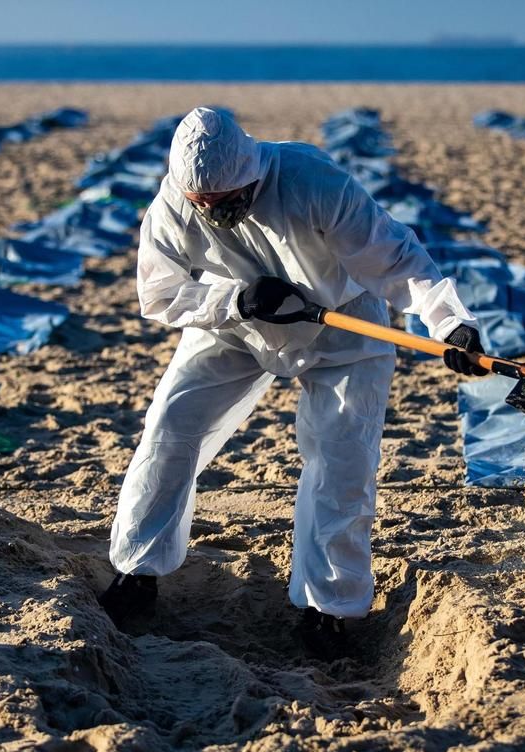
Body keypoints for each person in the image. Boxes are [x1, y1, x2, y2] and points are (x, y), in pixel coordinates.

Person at [98, 107, 489, 660]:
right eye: (200, 203)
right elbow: (158, 294)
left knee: (342, 458)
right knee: (171, 426)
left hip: (343, 322)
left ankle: (327, 608)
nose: (210, 211)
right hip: (235, 323)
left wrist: (450, 324)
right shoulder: (174, 203)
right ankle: (138, 569)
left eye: (223, 201)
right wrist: (235, 300)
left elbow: (396, 258)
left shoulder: (313, 182)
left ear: (252, 176)